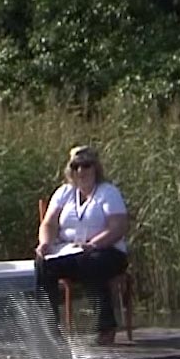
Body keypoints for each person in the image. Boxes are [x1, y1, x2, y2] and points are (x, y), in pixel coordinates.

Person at [35, 145, 130, 345]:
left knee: (91, 262)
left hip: (106, 251)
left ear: (95, 167)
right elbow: (49, 223)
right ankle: (50, 329)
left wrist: (94, 244)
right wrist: (45, 243)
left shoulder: (107, 192)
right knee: (43, 264)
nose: (81, 171)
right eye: (76, 166)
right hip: (69, 251)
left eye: (86, 166)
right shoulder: (64, 192)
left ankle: (105, 327)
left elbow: (118, 227)